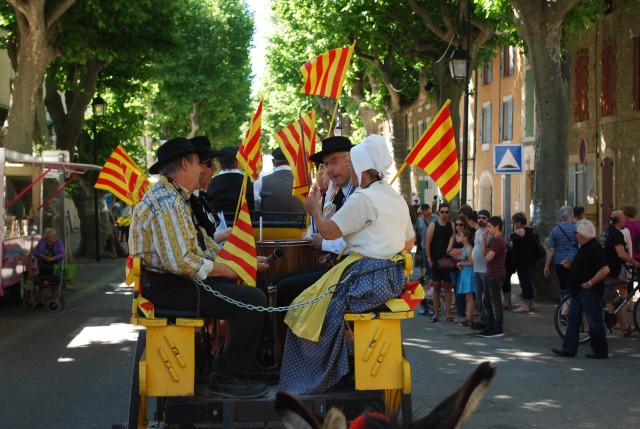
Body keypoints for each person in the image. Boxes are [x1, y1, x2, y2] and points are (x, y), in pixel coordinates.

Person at [130, 137, 276, 399]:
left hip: (177, 282)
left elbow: (204, 247)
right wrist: (229, 270)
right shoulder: (168, 203)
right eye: (200, 163)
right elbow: (183, 262)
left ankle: (244, 365)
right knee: (252, 300)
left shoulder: (176, 197)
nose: (204, 170)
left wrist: (243, 264)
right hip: (171, 287)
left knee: (253, 285)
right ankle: (225, 376)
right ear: (186, 164)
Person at [279, 134, 414, 394]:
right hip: (391, 277)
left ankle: (326, 372)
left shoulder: (363, 198)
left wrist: (314, 210)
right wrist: (384, 251)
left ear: (360, 167)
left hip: (365, 279)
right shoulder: (395, 197)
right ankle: (345, 360)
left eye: (352, 164)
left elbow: (329, 231)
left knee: (305, 309)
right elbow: (409, 242)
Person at [274, 136, 354, 307]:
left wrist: (323, 241)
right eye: (326, 165)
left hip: (352, 272)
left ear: (351, 160)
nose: (329, 170)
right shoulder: (345, 192)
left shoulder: (360, 193)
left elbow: (354, 241)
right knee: (278, 282)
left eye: (334, 162)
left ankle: (301, 334)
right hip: (339, 264)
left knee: (284, 288)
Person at [552, 219, 611, 359]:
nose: (575, 235)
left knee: (594, 321)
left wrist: (590, 282)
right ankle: (569, 348)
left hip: (589, 291)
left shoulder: (594, 247)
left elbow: (605, 269)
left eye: (576, 232)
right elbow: (585, 266)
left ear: (582, 234)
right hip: (579, 290)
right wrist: (571, 265)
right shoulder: (585, 247)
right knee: (573, 319)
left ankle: (600, 351)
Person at [601, 210, 640, 336]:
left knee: (618, 300)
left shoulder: (605, 232)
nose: (625, 221)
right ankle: (592, 328)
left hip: (604, 269)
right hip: (611, 271)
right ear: (620, 220)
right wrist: (635, 262)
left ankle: (624, 326)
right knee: (604, 301)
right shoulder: (616, 234)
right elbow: (621, 253)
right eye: (623, 219)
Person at [188, 136, 231, 245]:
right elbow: (190, 248)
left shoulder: (199, 197)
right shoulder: (179, 201)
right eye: (209, 163)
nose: (215, 168)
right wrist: (222, 235)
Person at [205, 145, 255, 225]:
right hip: (246, 231)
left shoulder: (209, 183)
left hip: (217, 229)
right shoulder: (252, 183)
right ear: (238, 162)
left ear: (219, 164)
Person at [254, 147, 305, 222]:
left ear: (273, 162)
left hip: (269, 230)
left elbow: (257, 206)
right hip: (300, 230)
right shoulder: (303, 181)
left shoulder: (262, 181)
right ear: (292, 161)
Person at [478, 216, 507, 338]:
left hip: (496, 274)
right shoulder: (493, 239)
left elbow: (488, 257)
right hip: (491, 273)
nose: (488, 229)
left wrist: (488, 252)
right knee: (487, 301)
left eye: (490, 226)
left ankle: (497, 327)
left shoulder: (498, 240)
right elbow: (484, 253)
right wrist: (484, 240)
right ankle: (490, 326)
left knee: (495, 302)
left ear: (497, 227)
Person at [544, 205, 579, 305]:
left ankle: (562, 304)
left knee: (563, 283)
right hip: (574, 260)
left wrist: (546, 265)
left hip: (559, 261)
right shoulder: (577, 227)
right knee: (571, 284)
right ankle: (568, 307)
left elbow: (551, 249)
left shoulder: (555, 230)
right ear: (571, 215)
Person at [426, 202, 454, 322]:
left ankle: (448, 314)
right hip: (435, 261)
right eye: (442, 212)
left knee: (448, 286)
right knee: (436, 286)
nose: (444, 214)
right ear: (438, 212)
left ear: (449, 213)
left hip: (448, 261)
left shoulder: (451, 226)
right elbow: (427, 244)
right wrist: (429, 259)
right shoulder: (433, 226)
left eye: (446, 212)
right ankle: (436, 313)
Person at [509, 212, 537, 312]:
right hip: (530, 259)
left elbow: (510, 236)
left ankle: (525, 304)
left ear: (519, 222)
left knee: (524, 282)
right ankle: (531, 302)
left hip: (522, 260)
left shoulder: (521, 230)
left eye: (515, 223)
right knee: (528, 282)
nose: (514, 225)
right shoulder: (531, 230)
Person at [33, 228, 65, 309]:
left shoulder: (58, 242)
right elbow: (36, 252)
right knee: (42, 282)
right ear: (47, 237)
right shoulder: (42, 242)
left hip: (55, 264)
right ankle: (41, 301)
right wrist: (43, 256)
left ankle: (53, 300)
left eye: (56, 235)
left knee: (54, 282)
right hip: (44, 263)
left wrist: (53, 258)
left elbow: (63, 253)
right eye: (53, 236)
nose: (55, 237)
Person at [471, 209, 491, 330]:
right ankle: (483, 320)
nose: (481, 220)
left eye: (484, 217)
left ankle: (489, 321)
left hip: (485, 270)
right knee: (478, 296)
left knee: (486, 297)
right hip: (476, 269)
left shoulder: (490, 232)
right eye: (479, 217)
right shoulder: (477, 232)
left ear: (488, 219)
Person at [447, 214, 469, 322]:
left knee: (465, 291)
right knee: (457, 290)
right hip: (454, 266)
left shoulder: (467, 236)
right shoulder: (453, 236)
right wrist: (461, 251)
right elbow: (448, 251)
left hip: (466, 266)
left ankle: (465, 315)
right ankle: (461, 314)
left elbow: (469, 250)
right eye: (456, 224)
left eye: (461, 224)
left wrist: (457, 251)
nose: (458, 226)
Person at [455, 229, 475, 327]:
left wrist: (461, 262)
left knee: (469, 296)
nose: (459, 237)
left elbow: (471, 263)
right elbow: (467, 258)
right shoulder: (465, 248)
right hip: (465, 273)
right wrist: (462, 259)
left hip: (468, 274)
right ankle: (468, 316)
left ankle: (469, 318)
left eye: (461, 235)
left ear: (465, 238)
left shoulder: (469, 248)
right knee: (467, 296)